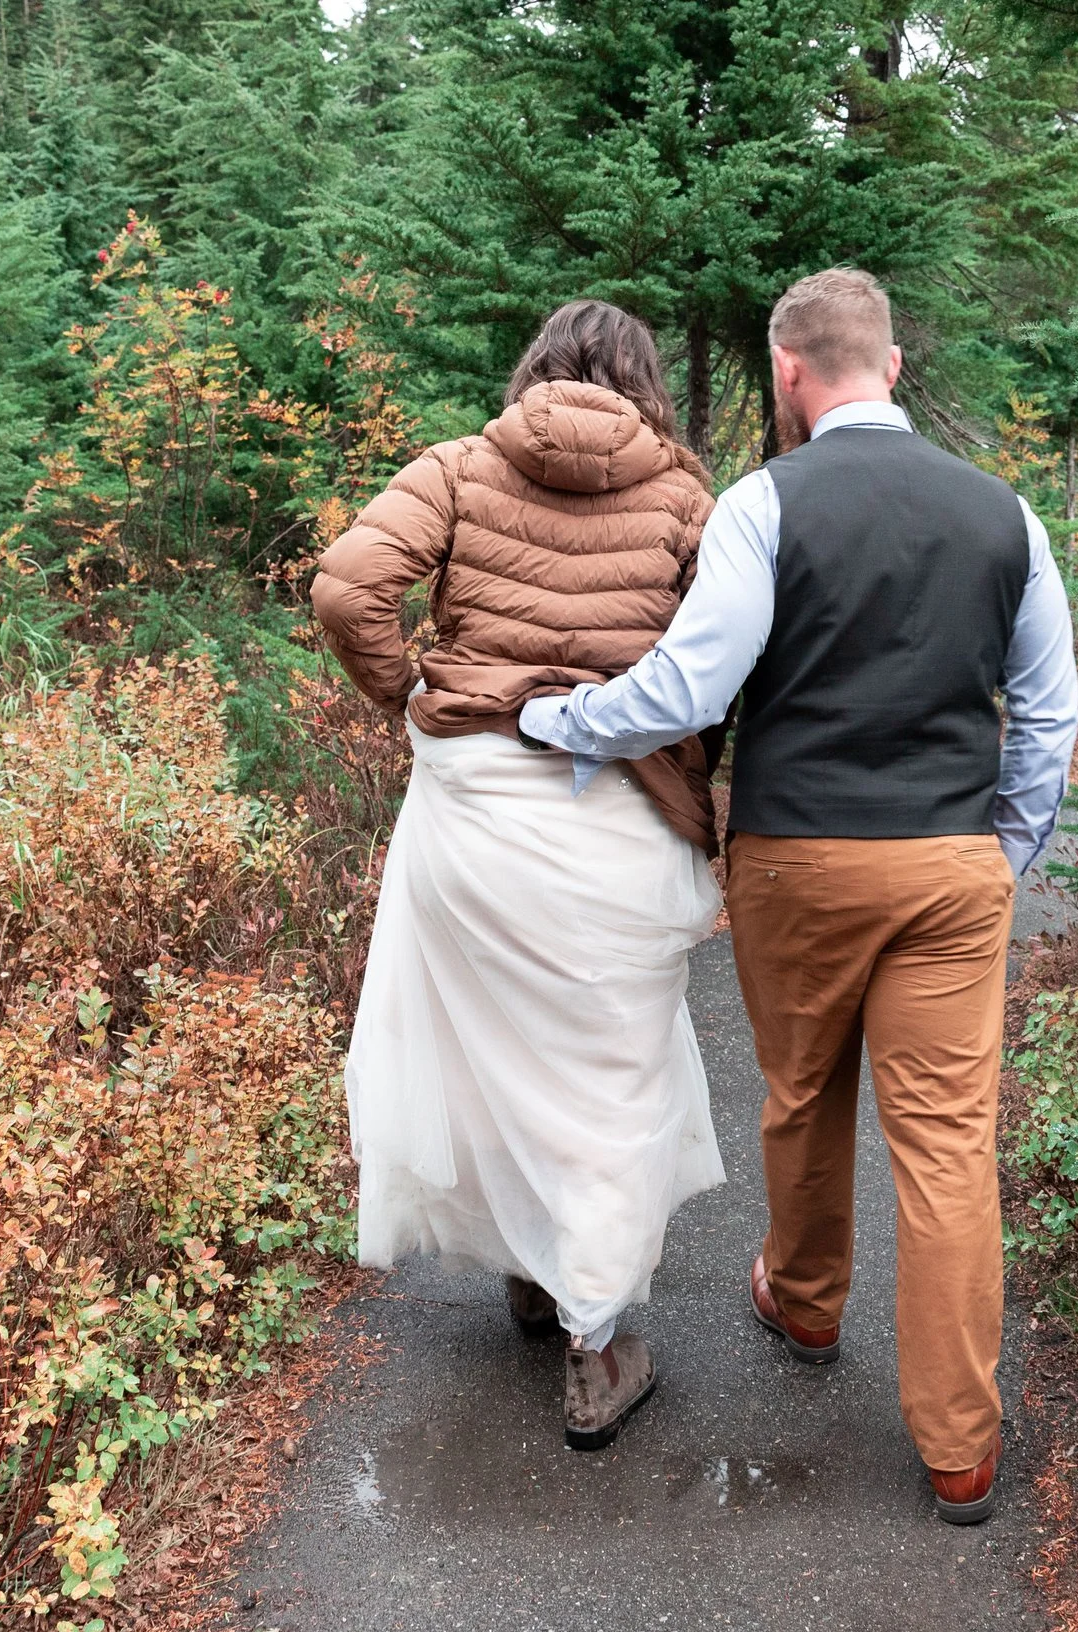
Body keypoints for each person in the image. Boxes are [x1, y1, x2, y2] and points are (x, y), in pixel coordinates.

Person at [520, 268, 1078, 1522]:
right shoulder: (1007, 515)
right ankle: (959, 1448)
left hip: (797, 857)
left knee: (803, 1087)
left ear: (788, 373)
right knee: (945, 1144)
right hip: (949, 862)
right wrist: (1004, 850)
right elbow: (1048, 710)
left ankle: (807, 1301)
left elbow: (690, 686)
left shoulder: (762, 504)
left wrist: (558, 719)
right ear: (887, 363)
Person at [312, 300, 725, 1451]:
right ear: (644, 379)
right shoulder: (687, 497)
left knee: (492, 1051)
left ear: (534, 369)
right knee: (608, 1070)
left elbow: (349, 588)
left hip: (478, 810)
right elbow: (722, 660)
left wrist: (410, 695)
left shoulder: (457, 466)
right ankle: (596, 1344)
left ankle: (546, 1278)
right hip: (624, 815)